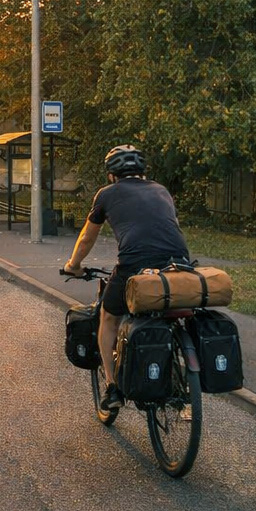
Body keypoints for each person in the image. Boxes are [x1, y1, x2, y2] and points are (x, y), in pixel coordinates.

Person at [63, 144, 191, 412]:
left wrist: (74, 265)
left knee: (108, 318)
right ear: (143, 172)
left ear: (111, 174)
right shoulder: (161, 190)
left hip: (135, 266)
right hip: (178, 265)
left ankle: (112, 389)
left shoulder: (106, 194)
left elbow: (88, 236)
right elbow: (172, 226)